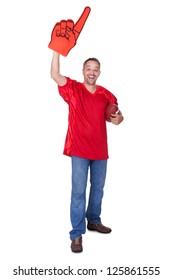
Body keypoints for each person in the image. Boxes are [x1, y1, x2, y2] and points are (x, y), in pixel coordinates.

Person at [50, 51, 124, 253]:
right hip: (79, 149)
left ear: (99, 73)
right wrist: (57, 50)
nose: (92, 72)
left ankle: (94, 220)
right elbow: (55, 75)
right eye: (88, 69)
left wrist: (119, 119)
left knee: (98, 190)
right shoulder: (73, 89)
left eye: (95, 69)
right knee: (78, 192)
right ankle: (76, 234)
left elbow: (118, 115)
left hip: (100, 150)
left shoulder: (106, 94)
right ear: (83, 71)